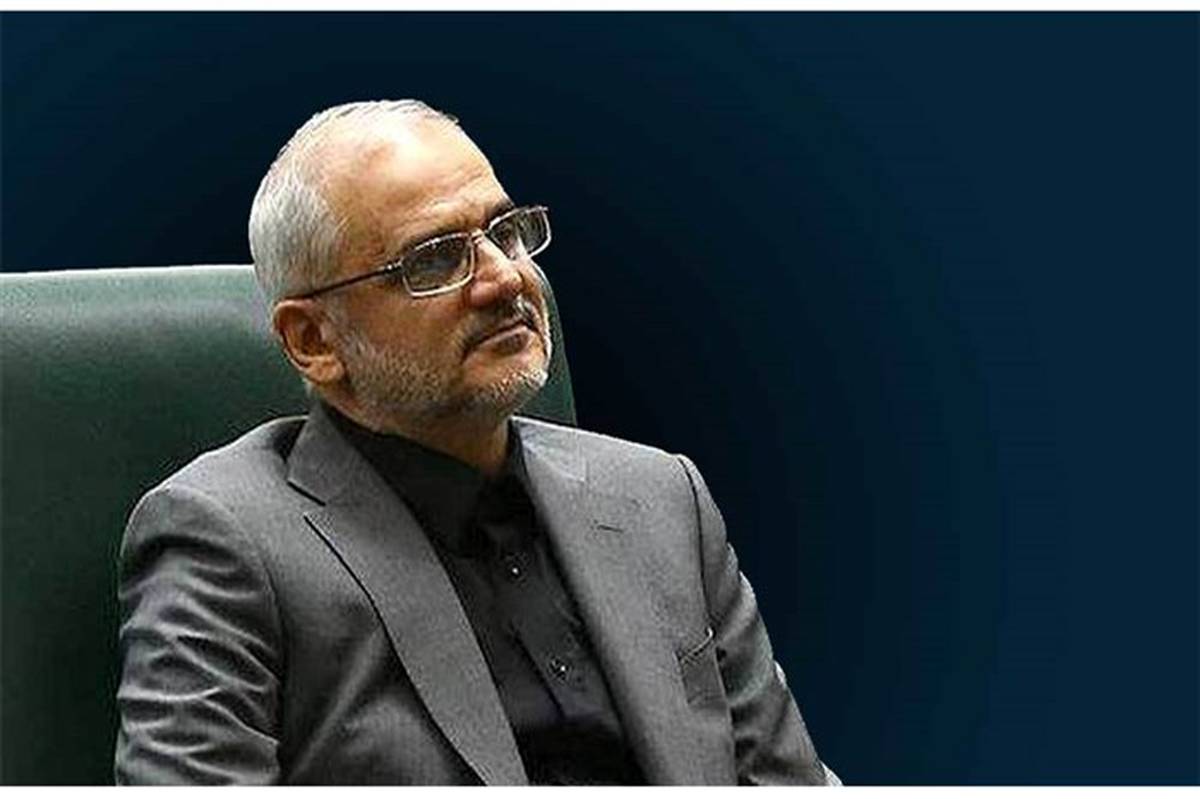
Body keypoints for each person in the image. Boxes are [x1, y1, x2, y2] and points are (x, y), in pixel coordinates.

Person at [114, 99, 841, 786]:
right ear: (313, 340)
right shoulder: (227, 542)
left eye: (506, 231)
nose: (506, 278)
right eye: (434, 260)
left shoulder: (660, 498)